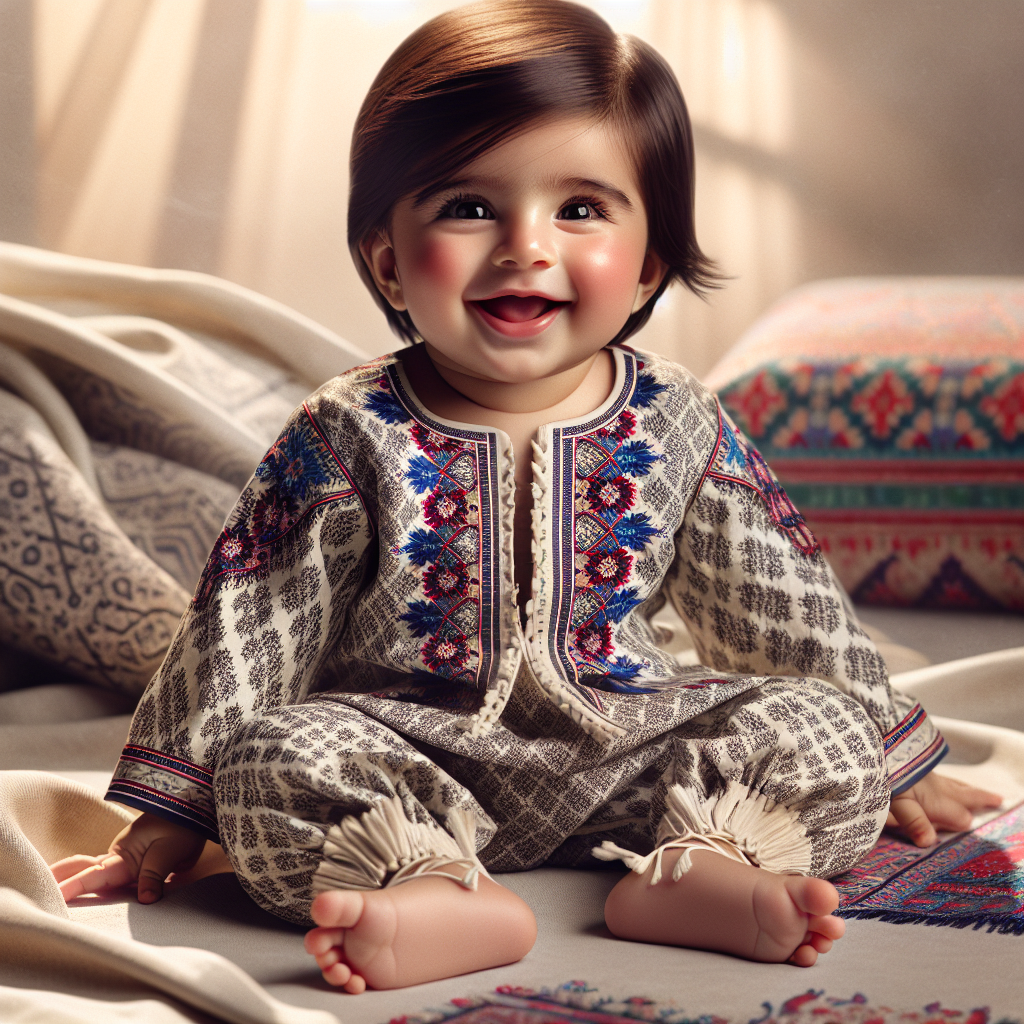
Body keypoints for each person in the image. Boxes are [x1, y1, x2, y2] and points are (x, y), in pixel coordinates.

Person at [50, 0, 1000, 995]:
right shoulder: (347, 429)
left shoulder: (678, 419)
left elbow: (777, 600)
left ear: (648, 267)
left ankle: (705, 867)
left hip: (638, 751)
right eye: (468, 206)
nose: (523, 245)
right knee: (275, 759)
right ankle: (430, 893)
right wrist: (175, 805)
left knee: (819, 730)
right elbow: (252, 616)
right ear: (386, 257)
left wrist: (896, 753)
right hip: (414, 763)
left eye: (580, 209)